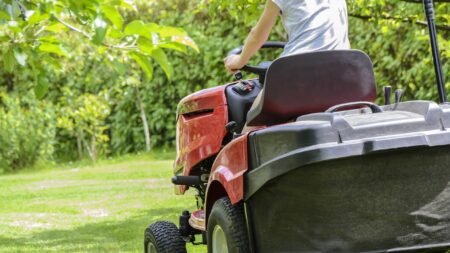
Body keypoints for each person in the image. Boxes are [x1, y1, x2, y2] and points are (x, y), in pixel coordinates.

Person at [224, 0, 351, 74]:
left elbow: (257, 36)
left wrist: (240, 61)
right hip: (343, 69)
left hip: (300, 71)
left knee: (253, 113)